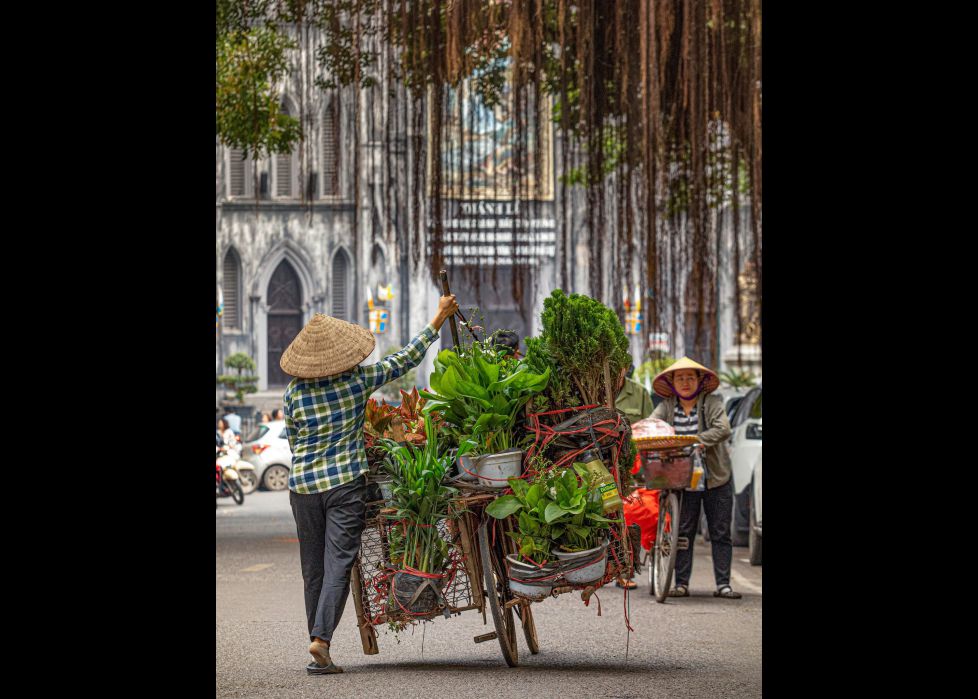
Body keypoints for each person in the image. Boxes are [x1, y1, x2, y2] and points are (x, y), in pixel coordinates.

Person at [280, 294, 459, 675]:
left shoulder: (293, 393)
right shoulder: (355, 382)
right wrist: (439, 318)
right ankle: (321, 639)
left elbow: (293, 442)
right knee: (338, 563)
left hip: (302, 489)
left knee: (312, 570)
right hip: (345, 485)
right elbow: (406, 359)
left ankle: (318, 637)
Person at [649, 357, 741, 599]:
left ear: (700, 381)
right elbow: (652, 424)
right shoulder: (667, 406)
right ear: (672, 382)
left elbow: (723, 429)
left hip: (715, 477)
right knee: (683, 530)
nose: (686, 382)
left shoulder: (711, 403)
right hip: (682, 477)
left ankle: (723, 585)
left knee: (720, 531)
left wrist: (697, 440)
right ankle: (680, 584)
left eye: (691, 377)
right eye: (680, 378)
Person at [613, 363, 655, 589]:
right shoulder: (597, 388)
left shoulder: (639, 393)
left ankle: (625, 570)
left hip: (631, 467)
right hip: (602, 467)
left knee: (629, 513)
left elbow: (651, 428)